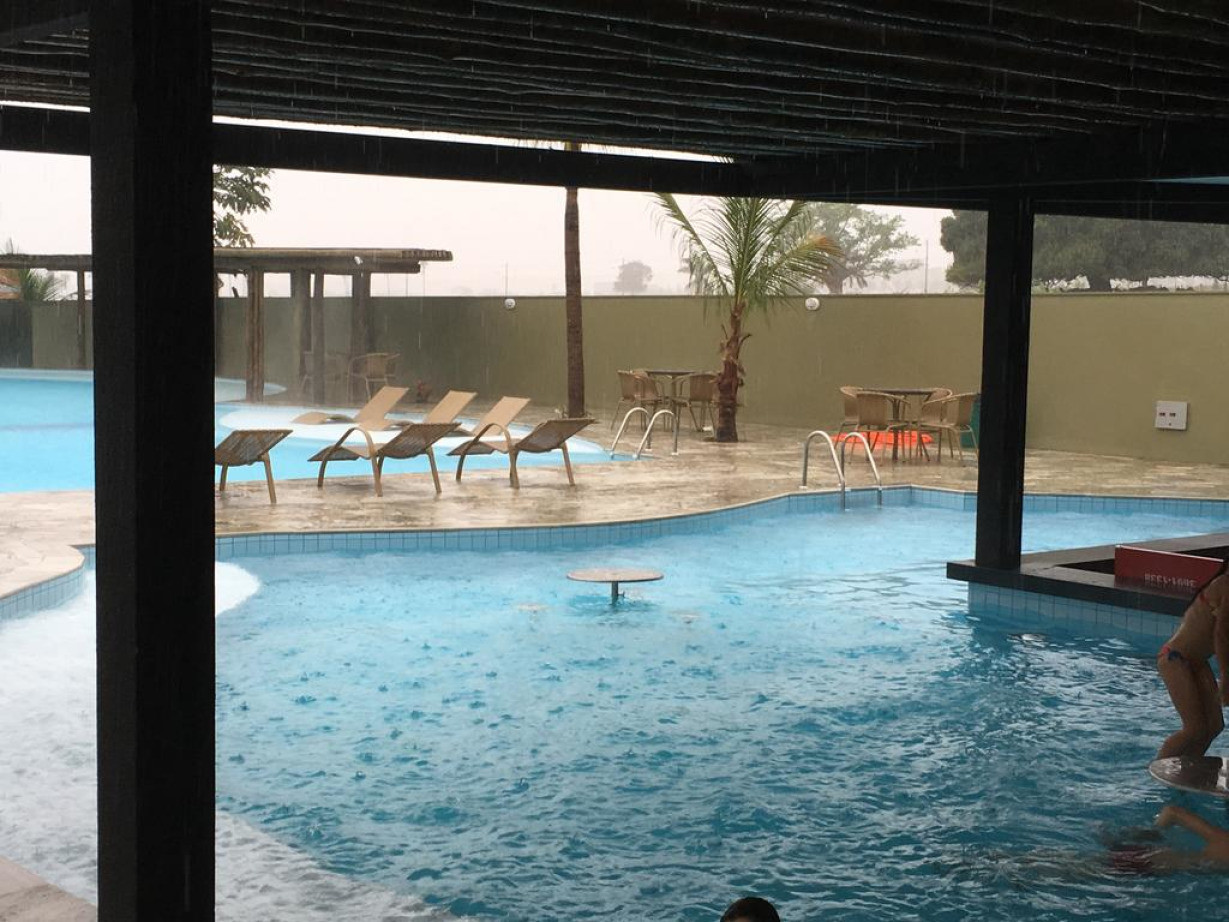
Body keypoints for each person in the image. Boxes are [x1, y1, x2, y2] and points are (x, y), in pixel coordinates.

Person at [1156, 559, 1229, 759]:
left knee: (1214, 726)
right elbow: (1221, 635)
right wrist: (1225, 676)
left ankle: (1189, 766)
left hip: (1197, 662)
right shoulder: (1225, 585)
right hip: (1175, 658)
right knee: (1194, 729)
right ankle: (1155, 771)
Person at [1107, 805, 1229, 874]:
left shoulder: (1221, 838)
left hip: (1145, 853)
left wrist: (1154, 833)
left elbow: (1171, 811)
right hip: (1143, 866)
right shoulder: (1223, 842)